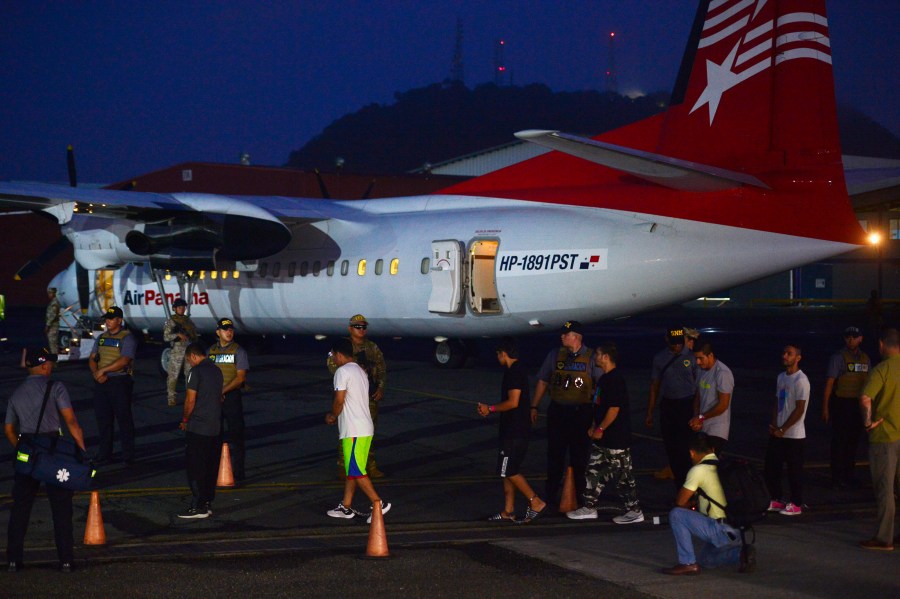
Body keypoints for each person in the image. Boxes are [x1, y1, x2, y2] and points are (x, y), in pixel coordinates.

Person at [5, 347, 86, 572]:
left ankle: (13, 560)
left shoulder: (16, 393)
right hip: (53, 452)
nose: (51, 366)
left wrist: (22, 449)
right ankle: (66, 561)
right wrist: (81, 454)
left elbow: (9, 429)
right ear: (42, 365)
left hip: (28, 451)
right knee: (61, 507)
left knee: (20, 508)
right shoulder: (56, 387)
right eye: (49, 363)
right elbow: (71, 422)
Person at [568, 341, 644, 524]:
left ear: (606, 357)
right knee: (593, 471)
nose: (595, 358)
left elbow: (614, 409)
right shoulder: (603, 379)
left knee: (623, 478)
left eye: (598, 355)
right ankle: (589, 507)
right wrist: (594, 425)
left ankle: (634, 511)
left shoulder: (615, 380)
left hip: (616, 439)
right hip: (602, 439)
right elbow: (600, 406)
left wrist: (601, 428)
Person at [531, 320, 602, 509]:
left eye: (566, 334)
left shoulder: (592, 357)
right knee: (554, 456)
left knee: (580, 457)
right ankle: (551, 495)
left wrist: (597, 418)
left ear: (577, 337)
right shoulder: (555, 355)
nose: (562, 336)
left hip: (581, 413)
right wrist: (534, 406)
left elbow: (601, 388)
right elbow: (543, 381)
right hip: (558, 411)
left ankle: (580, 497)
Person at [662, 433, 755, 575]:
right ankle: (741, 554)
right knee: (706, 561)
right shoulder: (723, 466)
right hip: (737, 531)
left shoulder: (698, 470)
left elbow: (680, 502)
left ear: (691, 453)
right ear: (712, 449)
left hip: (719, 529)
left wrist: (688, 506)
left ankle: (687, 563)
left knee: (676, 514)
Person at [477, 337, 547, 523]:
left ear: (503, 354)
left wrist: (490, 408)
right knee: (506, 470)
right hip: (513, 429)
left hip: (515, 431)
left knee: (509, 470)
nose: (497, 358)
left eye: (498, 354)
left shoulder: (513, 373)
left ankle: (535, 501)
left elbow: (513, 402)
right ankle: (508, 510)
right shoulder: (515, 371)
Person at [325, 338, 391, 522]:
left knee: (355, 469)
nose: (333, 360)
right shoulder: (359, 371)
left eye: (333, 356)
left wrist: (332, 415)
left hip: (354, 429)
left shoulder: (342, 371)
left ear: (339, 354)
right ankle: (345, 506)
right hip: (364, 427)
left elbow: (339, 399)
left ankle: (378, 503)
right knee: (353, 469)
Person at [326, 314, 387, 478]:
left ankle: (369, 465)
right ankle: (343, 465)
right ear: (350, 328)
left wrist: (380, 387)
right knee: (347, 433)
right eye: (357, 327)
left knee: (368, 433)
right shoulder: (343, 347)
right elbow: (332, 363)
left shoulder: (372, 347)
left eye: (363, 327)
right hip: (349, 394)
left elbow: (381, 368)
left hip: (369, 395)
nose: (361, 330)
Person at [858, 328, 900, 551]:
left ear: (882, 344)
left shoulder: (881, 369)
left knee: (885, 489)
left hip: (885, 437)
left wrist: (867, 423)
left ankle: (884, 538)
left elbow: (865, 398)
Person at [646, 326, 698, 487]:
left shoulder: (693, 358)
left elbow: (699, 390)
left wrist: (697, 414)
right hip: (669, 405)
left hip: (686, 405)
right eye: (673, 343)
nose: (677, 346)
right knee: (671, 447)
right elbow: (654, 386)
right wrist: (650, 412)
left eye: (679, 343)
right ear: (667, 340)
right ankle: (679, 486)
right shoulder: (660, 358)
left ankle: (689, 486)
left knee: (685, 449)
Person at [177, 343, 223, 519]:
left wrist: (185, 419)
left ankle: (198, 506)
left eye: (189, 360)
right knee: (211, 467)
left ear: (193, 356)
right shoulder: (217, 371)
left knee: (196, 467)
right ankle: (207, 502)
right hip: (215, 427)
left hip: (198, 427)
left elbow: (190, 400)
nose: (190, 363)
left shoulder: (195, 372)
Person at [764, 344, 810, 517]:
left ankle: (796, 503)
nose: (785, 356)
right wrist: (775, 424)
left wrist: (784, 428)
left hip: (794, 435)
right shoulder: (781, 377)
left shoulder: (801, 380)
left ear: (798, 358)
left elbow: (800, 409)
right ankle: (776, 498)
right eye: (784, 353)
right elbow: (777, 401)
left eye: (789, 354)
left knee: (794, 470)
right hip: (779, 432)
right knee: (771, 467)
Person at [822, 326, 870, 488]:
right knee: (839, 442)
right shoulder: (838, 357)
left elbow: (869, 384)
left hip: (857, 405)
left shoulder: (865, 358)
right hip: (842, 404)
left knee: (853, 441)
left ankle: (849, 475)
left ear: (860, 339)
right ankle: (836, 477)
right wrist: (825, 408)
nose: (851, 339)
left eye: (854, 337)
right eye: (848, 337)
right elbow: (829, 383)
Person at [89, 305, 137, 465]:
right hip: (102, 383)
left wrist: (102, 371)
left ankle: (128, 456)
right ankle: (105, 453)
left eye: (111, 319)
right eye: (106, 319)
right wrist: (97, 374)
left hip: (119, 382)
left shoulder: (127, 338)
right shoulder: (101, 338)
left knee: (124, 420)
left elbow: (125, 360)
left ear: (119, 320)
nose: (107, 322)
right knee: (103, 420)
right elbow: (92, 357)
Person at [209, 317, 249, 484]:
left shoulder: (239, 351)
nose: (229, 332)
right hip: (215, 397)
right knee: (213, 436)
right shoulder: (210, 351)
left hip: (231, 397)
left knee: (237, 435)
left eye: (231, 329)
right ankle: (213, 470)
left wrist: (222, 391)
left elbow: (240, 378)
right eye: (225, 329)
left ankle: (239, 473)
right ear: (218, 332)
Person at [689, 340, 733, 455]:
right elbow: (698, 396)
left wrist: (701, 418)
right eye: (696, 358)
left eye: (701, 358)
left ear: (711, 355)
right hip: (703, 426)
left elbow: (723, 405)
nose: (698, 362)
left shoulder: (723, 373)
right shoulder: (701, 370)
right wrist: (696, 418)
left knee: (708, 464)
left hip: (717, 429)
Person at [164, 297, 198, 407]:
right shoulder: (171, 321)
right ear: (174, 309)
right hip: (177, 351)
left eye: (183, 307)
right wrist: (177, 335)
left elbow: (194, 334)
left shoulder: (188, 321)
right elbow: (166, 337)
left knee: (189, 376)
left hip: (188, 350)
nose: (182, 309)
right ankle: (171, 398)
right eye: (179, 307)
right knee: (173, 375)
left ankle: (190, 397)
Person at [45, 287, 61, 354]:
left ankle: (54, 361)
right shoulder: (53, 302)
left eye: (50, 293)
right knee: (52, 344)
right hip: (52, 326)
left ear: (54, 294)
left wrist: (47, 325)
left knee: (53, 345)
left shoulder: (54, 303)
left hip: (53, 326)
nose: (49, 295)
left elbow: (53, 315)